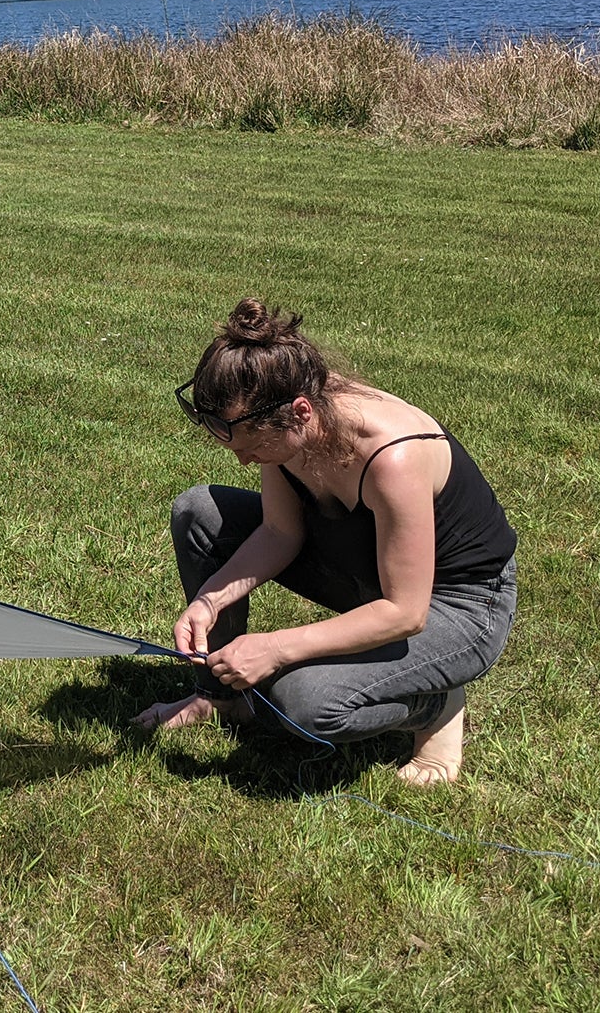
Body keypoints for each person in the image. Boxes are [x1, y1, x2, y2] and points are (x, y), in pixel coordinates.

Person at [135, 300, 517, 786]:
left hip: (457, 605)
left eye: (251, 447)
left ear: (299, 412)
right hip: (367, 570)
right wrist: (211, 599)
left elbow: (405, 612)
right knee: (200, 512)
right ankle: (221, 698)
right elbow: (280, 532)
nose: (244, 462)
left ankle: (435, 704)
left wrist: (274, 647)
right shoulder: (286, 411)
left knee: (305, 703)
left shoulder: (392, 459)